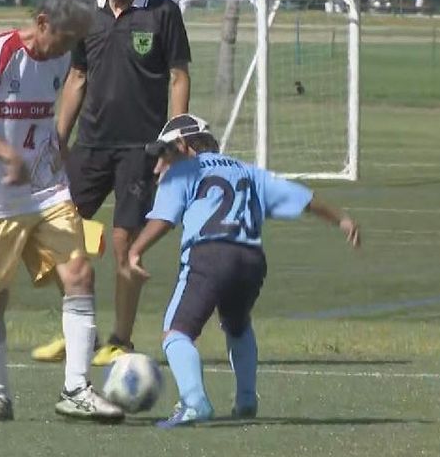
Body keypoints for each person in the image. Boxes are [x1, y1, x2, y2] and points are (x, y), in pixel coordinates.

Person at [0, 0, 123, 422]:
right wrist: (7, 155)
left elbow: (51, 108)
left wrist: (57, 146)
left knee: (79, 273)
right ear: (42, 23)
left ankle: (77, 388)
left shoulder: (61, 57)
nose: (69, 48)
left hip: (46, 190)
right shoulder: (0, 56)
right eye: (64, 38)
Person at [126, 114, 360, 427]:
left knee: (176, 333)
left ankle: (194, 403)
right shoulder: (249, 172)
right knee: (236, 324)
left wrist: (135, 250)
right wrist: (341, 218)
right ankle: (246, 399)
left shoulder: (182, 170)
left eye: (163, 154)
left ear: (183, 146)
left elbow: (164, 219)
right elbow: (304, 197)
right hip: (251, 259)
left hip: (209, 255)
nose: (158, 166)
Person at [31, 0, 192, 367]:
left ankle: (121, 339)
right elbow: (77, 78)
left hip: (142, 148)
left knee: (123, 242)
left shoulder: (163, 12)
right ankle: (79, 329)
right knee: (58, 231)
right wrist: (58, 138)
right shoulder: (88, 16)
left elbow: (178, 75)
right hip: (91, 145)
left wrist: (175, 135)